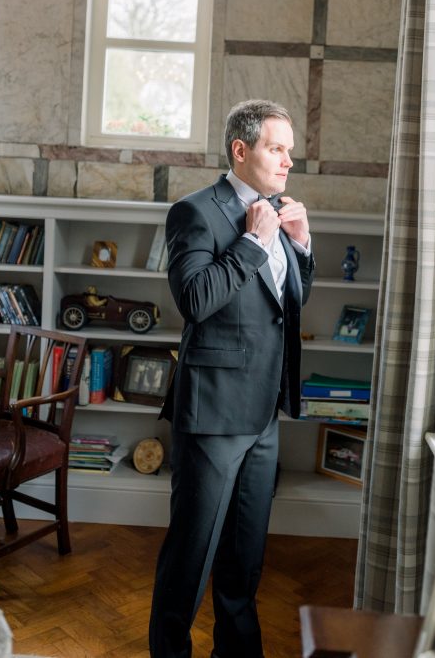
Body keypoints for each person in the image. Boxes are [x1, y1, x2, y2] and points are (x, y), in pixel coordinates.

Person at [149, 99, 315, 658]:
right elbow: (196, 300)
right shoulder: (195, 212)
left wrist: (300, 246)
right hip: (214, 414)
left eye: (290, 150)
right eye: (277, 148)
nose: (288, 160)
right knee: (190, 557)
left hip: (265, 413)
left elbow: (284, 305)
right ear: (241, 150)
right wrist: (252, 242)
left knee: (244, 560)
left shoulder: (279, 211)